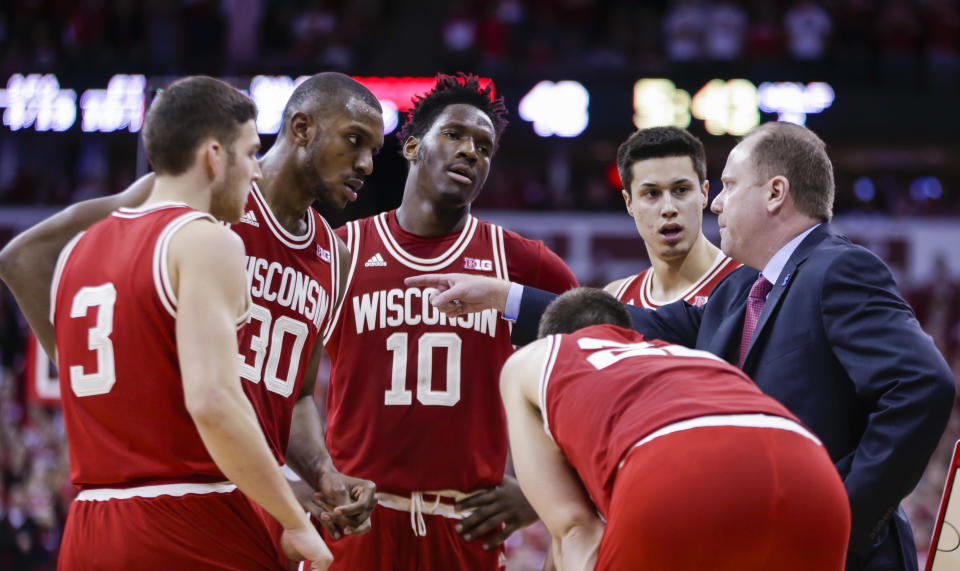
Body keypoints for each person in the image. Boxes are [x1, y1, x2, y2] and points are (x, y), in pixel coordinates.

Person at [407, 121, 956, 571]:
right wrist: (506, 297)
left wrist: (848, 519)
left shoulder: (839, 268)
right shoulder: (743, 287)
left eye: (730, 186)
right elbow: (646, 328)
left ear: (775, 193)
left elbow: (923, 385)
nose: (716, 206)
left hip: (841, 551)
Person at [0, 73, 386, 546]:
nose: (366, 163)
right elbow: (25, 258)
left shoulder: (335, 255)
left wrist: (325, 474)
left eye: (374, 150)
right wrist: (94, 381)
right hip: (175, 491)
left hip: (246, 500)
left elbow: (295, 395)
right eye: (354, 140)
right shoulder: (201, 197)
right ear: (302, 129)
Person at [320, 73, 578, 570]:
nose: (470, 152)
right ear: (413, 145)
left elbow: (602, 358)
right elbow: (296, 385)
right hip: (357, 520)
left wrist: (543, 489)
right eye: (455, 135)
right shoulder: (343, 251)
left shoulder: (521, 261)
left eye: (484, 146)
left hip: (463, 527)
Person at [502, 287, 850, 570]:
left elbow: (575, 529)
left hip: (678, 467)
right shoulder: (696, 356)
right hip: (813, 475)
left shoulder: (536, 357)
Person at [605, 126, 739, 308]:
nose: (668, 208)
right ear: (629, 203)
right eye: (652, 193)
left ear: (704, 193)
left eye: (681, 190)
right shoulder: (615, 301)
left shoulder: (748, 287)